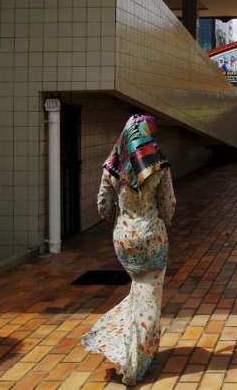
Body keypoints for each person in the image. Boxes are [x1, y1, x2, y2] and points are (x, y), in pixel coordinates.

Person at [81, 114, 176, 386]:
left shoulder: (112, 168)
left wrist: (121, 216)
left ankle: (124, 344)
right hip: (152, 237)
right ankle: (135, 364)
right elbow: (168, 207)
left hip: (123, 239)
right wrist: (158, 220)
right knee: (149, 298)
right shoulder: (159, 167)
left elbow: (103, 207)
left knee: (138, 290)